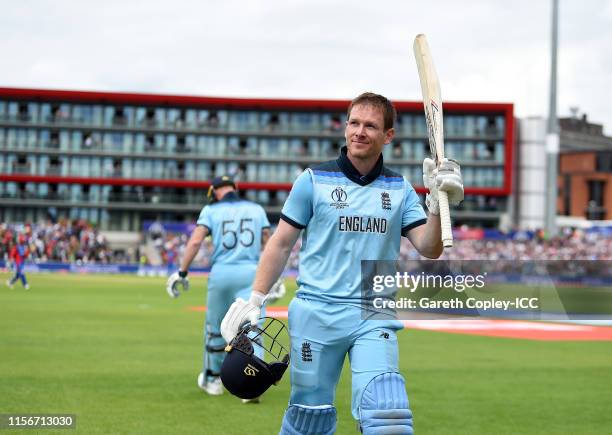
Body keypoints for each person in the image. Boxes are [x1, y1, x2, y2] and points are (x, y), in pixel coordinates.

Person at [221, 92, 464, 434]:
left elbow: (430, 246)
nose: (359, 131)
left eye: (370, 125)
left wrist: (439, 206)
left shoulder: (400, 188)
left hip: (373, 311)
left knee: (388, 416)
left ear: (388, 136)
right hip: (316, 311)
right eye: (354, 123)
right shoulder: (313, 181)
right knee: (310, 419)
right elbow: (281, 243)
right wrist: (256, 298)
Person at [166, 175, 274, 398]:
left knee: (215, 329)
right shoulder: (256, 209)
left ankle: (213, 380)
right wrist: (274, 277)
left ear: (214, 192)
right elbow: (269, 242)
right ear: (235, 187)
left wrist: (182, 271)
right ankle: (253, 386)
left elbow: (196, 241)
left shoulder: (210, 210)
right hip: (252, 274)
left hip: (222, 272)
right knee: (253, 329)